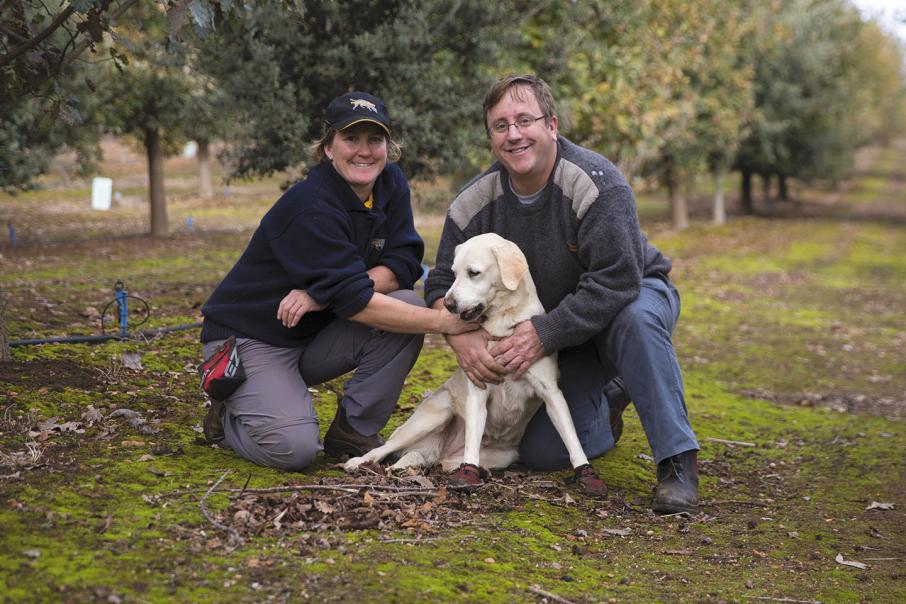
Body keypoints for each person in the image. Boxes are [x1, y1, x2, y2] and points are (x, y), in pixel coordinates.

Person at [424, 75, 701, 514]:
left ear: (551, 125)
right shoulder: (474, 203)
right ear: (491, 138)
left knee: (635, 321)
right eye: (500, 125)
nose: (513, 134)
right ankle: (610, 399)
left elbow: (617, 279)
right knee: (542, 455)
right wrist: (460, 337)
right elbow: (440, 284)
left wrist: (545, 331)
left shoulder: (596, 183)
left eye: (524, 120)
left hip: (628, 297)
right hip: (560, 331)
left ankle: (676, 462)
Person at [199, 91, 478, 471]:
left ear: (388, 147)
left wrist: (328, 294)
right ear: (328, 147)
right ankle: (228, 416)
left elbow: (405, 262)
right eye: (351, 139)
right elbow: (358, 304)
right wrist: (445, 321)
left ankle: (353, 431)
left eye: (374, 140)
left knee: (407, 305)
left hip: (314, 329)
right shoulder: (310, 206)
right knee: (294, 451)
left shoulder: (390, 183)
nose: (364, 152)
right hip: (253, 337)